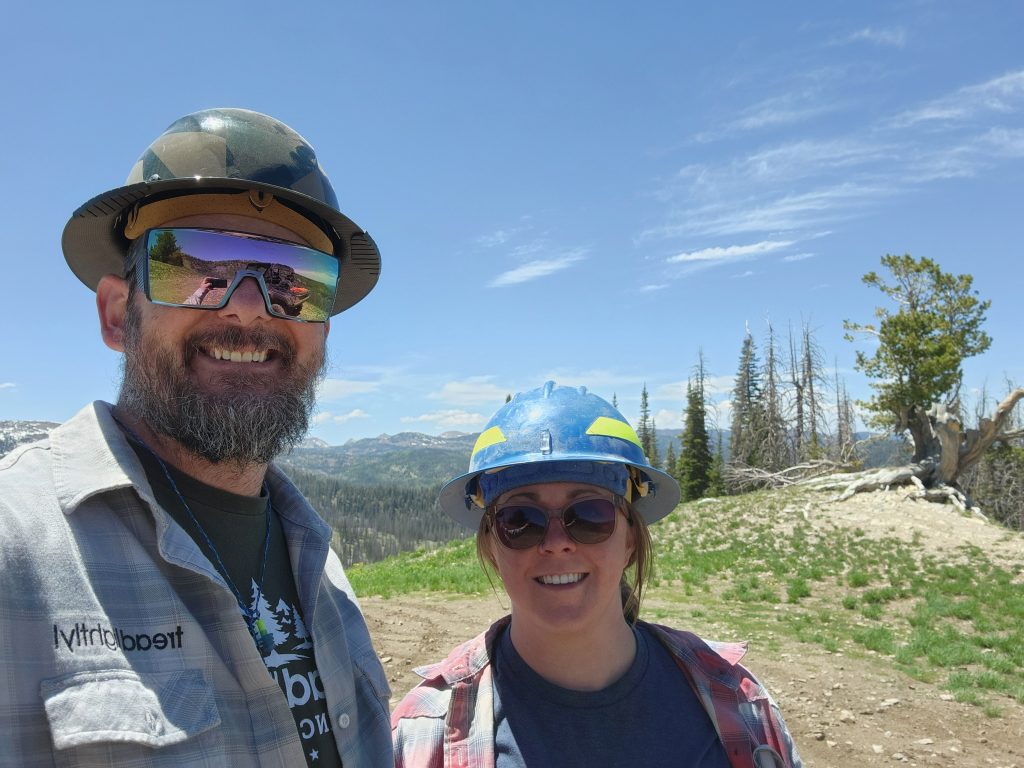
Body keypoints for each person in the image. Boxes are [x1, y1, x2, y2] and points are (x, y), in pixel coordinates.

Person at [0, 109, 392, 767]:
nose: (248, 306)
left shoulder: (320, 566)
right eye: (192, 265)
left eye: (292, 281)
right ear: (118, 315)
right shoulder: (15, 553)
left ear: (322, 333)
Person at [392, 382, 803, 768]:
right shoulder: (423, 735)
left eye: (590, 515)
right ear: (491, 548)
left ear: (630, 540)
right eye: (520, 520)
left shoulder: (739, 703)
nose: (556, 543)